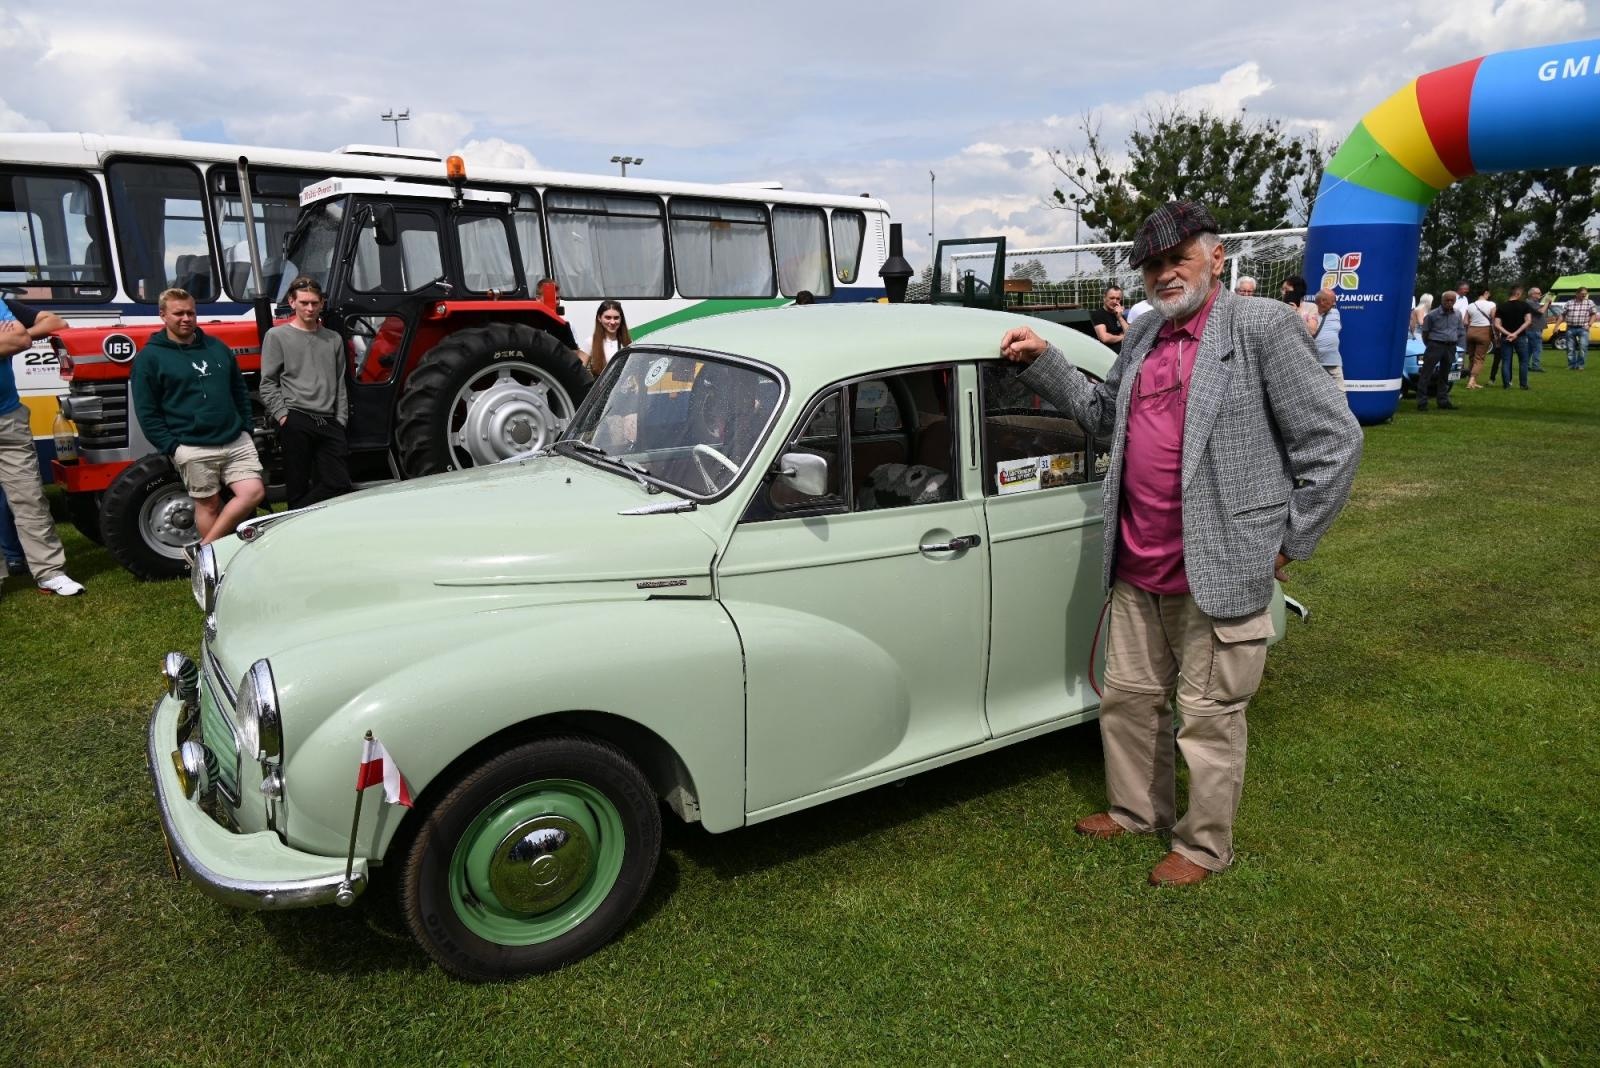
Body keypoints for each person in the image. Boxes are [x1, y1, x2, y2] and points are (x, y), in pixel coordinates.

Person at [998, 201, 1362, 887]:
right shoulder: (1142, 337)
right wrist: (1045, 361)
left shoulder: (1263, 328)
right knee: (1130, 698)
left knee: (1208, 715)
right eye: (1154, 265)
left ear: (1216, 259)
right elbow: (1105, 416)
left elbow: (1336, 442)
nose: (1165, 275)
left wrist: (1291, 541)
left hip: (1221, 564)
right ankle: (1136, 810)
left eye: (1178, 259)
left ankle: (1201, 846)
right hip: (1138, 560)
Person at [130, 288, 266, 547]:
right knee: (209, 504)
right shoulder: (150, 358)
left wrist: (245, 427)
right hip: (192, 445)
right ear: (163, 316)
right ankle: (217, 556)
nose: (186, 318)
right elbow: (147, 411)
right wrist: (173, 447)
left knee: (253, 492)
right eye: (178, 313)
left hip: (235, 440)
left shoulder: (217, 348)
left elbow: (239, 390)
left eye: (190, 312)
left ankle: (204, 549)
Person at [0, 299, 86, 596]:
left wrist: (11, 338)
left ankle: (50, 572)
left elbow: (21, 338)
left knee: (30, 498)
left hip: (8, 418)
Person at [260, 277, 352, 510]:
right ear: (292, 302)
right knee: (297, 485)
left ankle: (295, 516)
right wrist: (283, 416)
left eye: (314, 302)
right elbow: (268, 382)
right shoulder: (277, 336)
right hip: (296, 417)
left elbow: (340, 382)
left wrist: (340, 419)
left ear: (322, 303)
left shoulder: (333, 339)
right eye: (304, 303)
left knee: (338, 484)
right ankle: (296, 527)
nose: (310, 308)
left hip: (329, 421)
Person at [1418, 291, 1464, 411]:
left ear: (1455, 301)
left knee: (1445, 374)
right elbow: (1425, 332)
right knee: (1426, 374)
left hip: (1450, 346)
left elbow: (1460, 330)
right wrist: (1430, 344)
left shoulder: (1458, 314)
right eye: (1447, 300)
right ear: (1442, 300)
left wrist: (1455, 340)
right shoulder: (1432, 315)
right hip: (1435, 345)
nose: (1449, 303)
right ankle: (1422, 402)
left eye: (1452, 301)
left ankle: (1443, 400)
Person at [1493, 286, 1533, 390]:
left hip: (1505, 337)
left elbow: (1497, 324)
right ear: (1518, 294)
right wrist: (1515, 333)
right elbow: (1528, 321)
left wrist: (1508, 334)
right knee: (1523, 361)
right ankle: (1523, 385)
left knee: (1506, 361)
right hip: (1520, 336)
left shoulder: (1501, 306)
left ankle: (1506, 384)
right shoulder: (1524, 305)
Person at [587, 300, 632, 377]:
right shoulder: (590, 342)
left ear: (621, 319)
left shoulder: (628, 343)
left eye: (616, 318)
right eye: (608, 317)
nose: (612, 322)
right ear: (599, 318)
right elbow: (578, 372)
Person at [1309, 288, 1344, 387]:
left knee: (1340, 392)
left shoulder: (1335, 313)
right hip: (1313, 362)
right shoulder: (1309, 314)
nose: (1334, 304)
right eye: (1331, 302)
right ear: (1322, 301)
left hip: (1333, 362)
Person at [1462, 286, 1495, 388]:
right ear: (1485, 293)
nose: (1489, 295)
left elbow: (1465, 321)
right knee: (1479, 358)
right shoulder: (1491, 304)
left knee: (1471, 357)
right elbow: (1494, 319)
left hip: (1471, 331)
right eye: (1488, 293)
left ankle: (1473, 380)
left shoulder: (1471, 305)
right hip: (1484, 331)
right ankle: (1472, 380)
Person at [1089, 286, 1128, 353]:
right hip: (1108, 353)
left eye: (1118, 299)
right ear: (1104, 298)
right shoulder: (1098, 314)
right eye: (1112, 298)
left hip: (1123, 353)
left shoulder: (1119, 314)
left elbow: (1131, 333)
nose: (1115, 301)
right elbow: (1105, 338)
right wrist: (1122, 337)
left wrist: (1120, 317)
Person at [1562, 287, 1593, 370]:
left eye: (1585, 293)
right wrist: (1557, 326)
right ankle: (1571, 365)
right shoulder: (1569, 303)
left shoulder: (1589, 302)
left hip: (1583, 328)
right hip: (1570, 328)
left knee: (1583, 347)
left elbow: (1593, 314)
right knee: (1570, 348)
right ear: (1577, 294)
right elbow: (1563, 314)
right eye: (1582, 293)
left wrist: (1589, 324)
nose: (1584, 295)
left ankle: (1580, 365)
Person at [1526, 287, 1548, 371]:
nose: (1540, 294)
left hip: (1533, 329)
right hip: (1534, 329)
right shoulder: (1531, 302)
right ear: (1532, 294)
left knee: (1530, 349)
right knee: (1537, 349)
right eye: (1538, 293)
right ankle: (1536, 366)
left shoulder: (1532, 302)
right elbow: (1541, 311)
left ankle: (1526, 365)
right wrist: (1546, 303)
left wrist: (1546, 304)